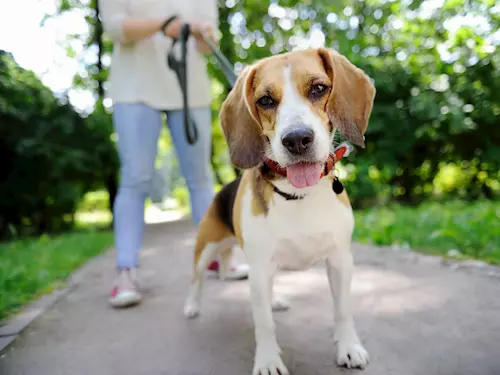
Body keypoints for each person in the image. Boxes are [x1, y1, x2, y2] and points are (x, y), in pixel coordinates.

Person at [99, 0, 249, 308]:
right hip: (134, 89)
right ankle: (125, 271)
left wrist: (202, 34)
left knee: (200, 178)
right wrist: (165, 24)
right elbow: (115, 28)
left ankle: (219, 257)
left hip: (189, 90)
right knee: (134, 178)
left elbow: (208, 45)